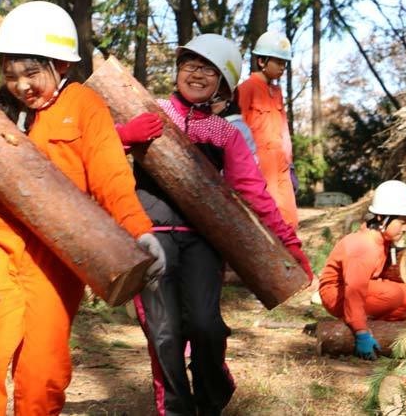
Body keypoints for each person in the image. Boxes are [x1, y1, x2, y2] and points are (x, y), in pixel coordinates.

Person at [0, 1, 165, 416]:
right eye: (11, 74)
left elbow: (111, 177)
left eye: (32, 73)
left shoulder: (85, 105)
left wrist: (140, 231)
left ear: (61, 66)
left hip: (60, 255)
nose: (20, 86)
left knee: (42, 371)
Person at [117, 33, 313, 415]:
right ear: (177, 70)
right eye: (190, 65)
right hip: (149, 238)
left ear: (222, 84)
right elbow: (93, 149)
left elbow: (255, 193)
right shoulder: (149, 110)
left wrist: (289, 243)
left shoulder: (226, 134)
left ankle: (211, 394)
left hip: (203, 242)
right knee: (164, 334)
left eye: (209, 70)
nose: (196, 74)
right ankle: (174, 409)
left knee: (205, 326)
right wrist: (125, 136)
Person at [319, 180, 406, 360]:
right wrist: (361, 332)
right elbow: (354, 291)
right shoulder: (363, 247)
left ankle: (372, 322)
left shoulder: (382, 240)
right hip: (338, 295)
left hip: (364, 289)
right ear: (382, 218)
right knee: (392, 294)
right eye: (402, 222)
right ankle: (357, 322)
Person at [237, 30, 298, 228]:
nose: (283, 67)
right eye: (278, 62)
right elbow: (236, 131)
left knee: (290, 221)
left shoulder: (276, 92)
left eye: (285, 63)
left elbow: (284, 131)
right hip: (259, 166)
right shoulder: (246, 89)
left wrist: (290, 165)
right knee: (267, 221)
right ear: (262, 61)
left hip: (281, 166)